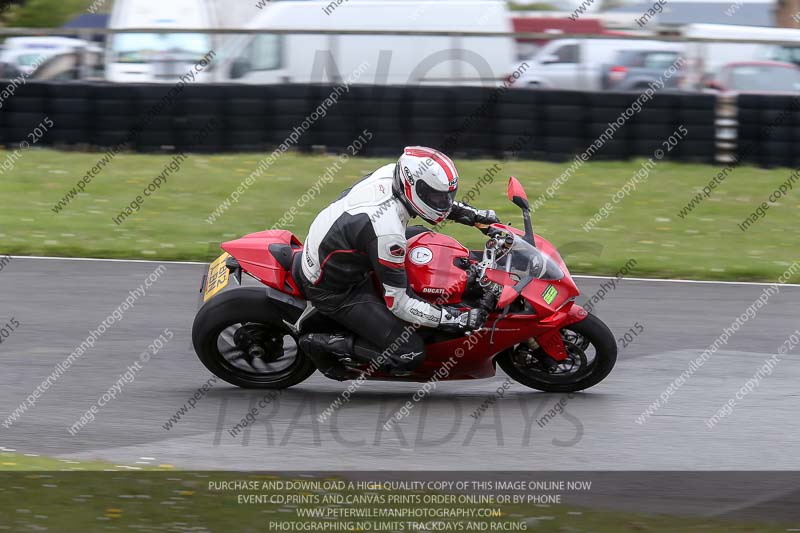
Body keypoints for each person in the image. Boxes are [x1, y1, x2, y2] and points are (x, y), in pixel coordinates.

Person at [297, 146, 499, 377]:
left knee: (427, 238)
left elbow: (432, 202)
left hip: (348, 250)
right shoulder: (388, 233)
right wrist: (455, 319)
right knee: (408, 353)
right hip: (336, 288)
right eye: (435, 195)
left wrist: (473, 216)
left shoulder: (392, 174)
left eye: (447, 195)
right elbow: (399, 304)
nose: (443, 201)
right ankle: (320, 343)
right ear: (413, 186)